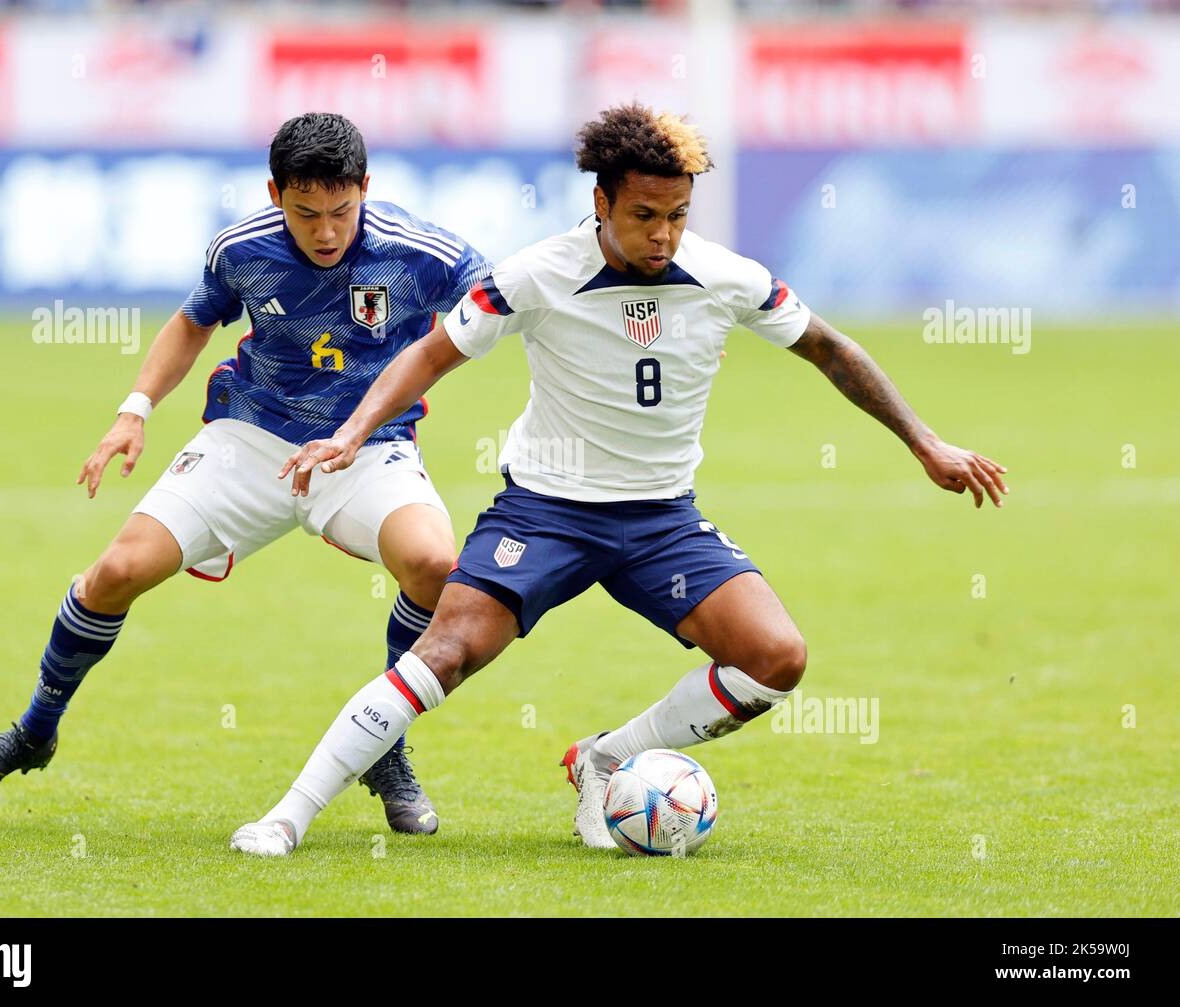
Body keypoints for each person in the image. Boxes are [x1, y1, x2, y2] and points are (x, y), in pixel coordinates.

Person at [228, 103, 1008, 857]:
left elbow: (831, 349)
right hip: (545, 513)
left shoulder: (727, 276)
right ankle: (286, 818)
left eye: (677, 214)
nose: (663, 233)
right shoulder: (536, 274)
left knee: (777, 658)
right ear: (601, 201)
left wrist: (925, 441)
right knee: (448, 651)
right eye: (643, 215)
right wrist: (352, 433)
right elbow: (432, 353)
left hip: (662, 520)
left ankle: (607, 758)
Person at [0, 112, 492, 836]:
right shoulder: (240, 249)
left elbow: (500, 299)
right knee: (115, 571)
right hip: (250, 440)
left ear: (366, 187)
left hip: (366, 446)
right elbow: (194, 322)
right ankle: (34, 729)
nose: (324, 232)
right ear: (274, 195)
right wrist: (133, 410)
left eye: (340, 212)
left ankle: (384, 745)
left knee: (434, 564)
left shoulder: (422, 252)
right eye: (304, 214)